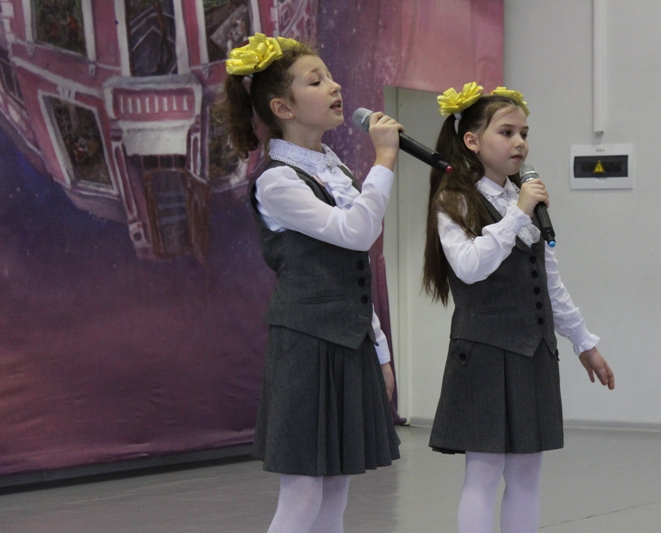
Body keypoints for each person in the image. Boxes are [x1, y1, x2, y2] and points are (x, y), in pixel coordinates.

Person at [216, 34, 402, 533]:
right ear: (284, 108)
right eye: (316, 81)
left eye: (331, 76)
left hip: (348, 342)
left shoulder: (333, 169)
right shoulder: (277, 180)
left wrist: (379, 351)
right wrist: (384, 161)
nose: (335, 87)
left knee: (336, 490)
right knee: (302, 495)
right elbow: (356, 232)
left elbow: (353, 271)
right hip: (306, 345)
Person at [422, 82, 615, 533]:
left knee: (528, 472)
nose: (519, 143)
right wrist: (518, 213)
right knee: (484, 471)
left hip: (533, 351)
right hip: (485, 350)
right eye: (507, 132)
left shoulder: (522, 200)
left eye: (524, 133)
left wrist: (583, 342)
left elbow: (550, 283)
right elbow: (470, 266)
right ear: (472, 140)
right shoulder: (455, 199)